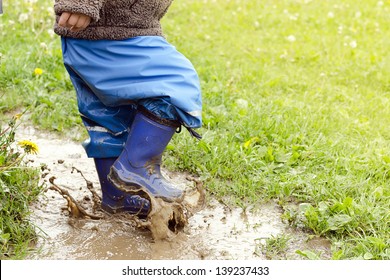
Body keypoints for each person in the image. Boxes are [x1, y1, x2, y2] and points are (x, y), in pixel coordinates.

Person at [53, 0, 202, 218]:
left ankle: (118, 199)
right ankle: (137, 167)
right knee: (176, 82)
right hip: (110, 31)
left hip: (106, 30)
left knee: (109, 118)